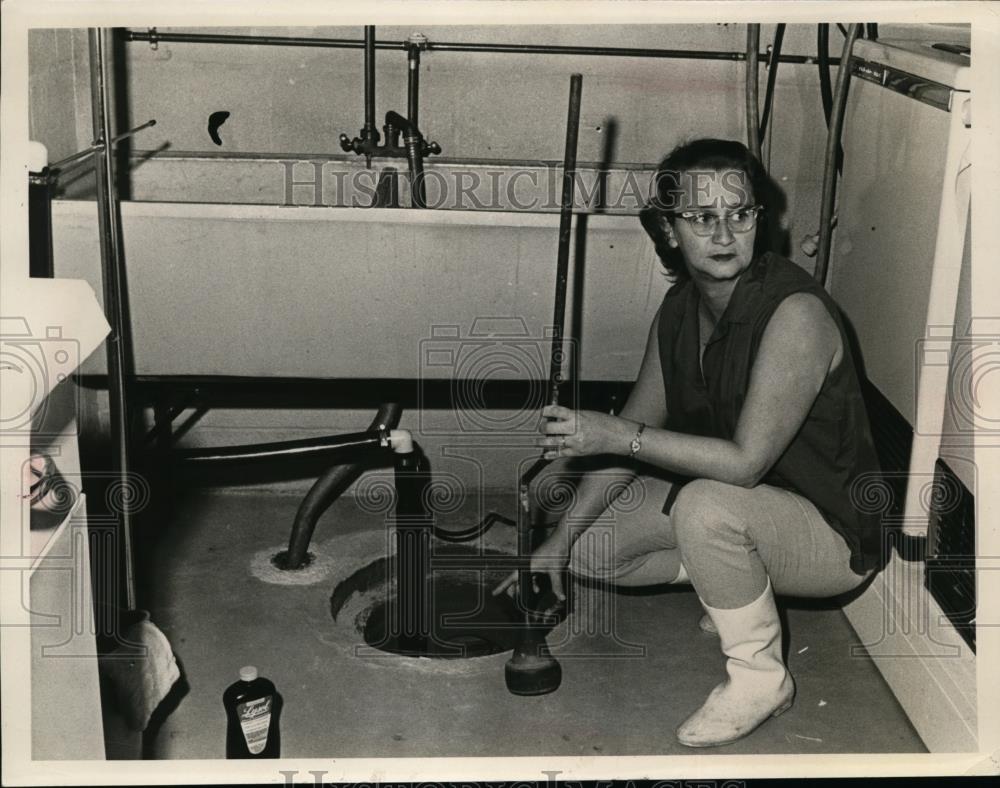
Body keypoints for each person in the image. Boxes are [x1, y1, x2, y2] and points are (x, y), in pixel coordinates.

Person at [494, 138, 882, 748]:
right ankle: (729, 580)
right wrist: (557, 543)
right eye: (702, 218)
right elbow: (640, 426)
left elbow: (744, 465)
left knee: (706, 502)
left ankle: (761, 678)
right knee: (590, 544)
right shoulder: (680, 308)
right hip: (751, 507)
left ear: (761, 219)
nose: (724, 233)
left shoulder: (795, 315)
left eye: (740, 213)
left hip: (831, 534)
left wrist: (613, 432)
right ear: (670, 231)